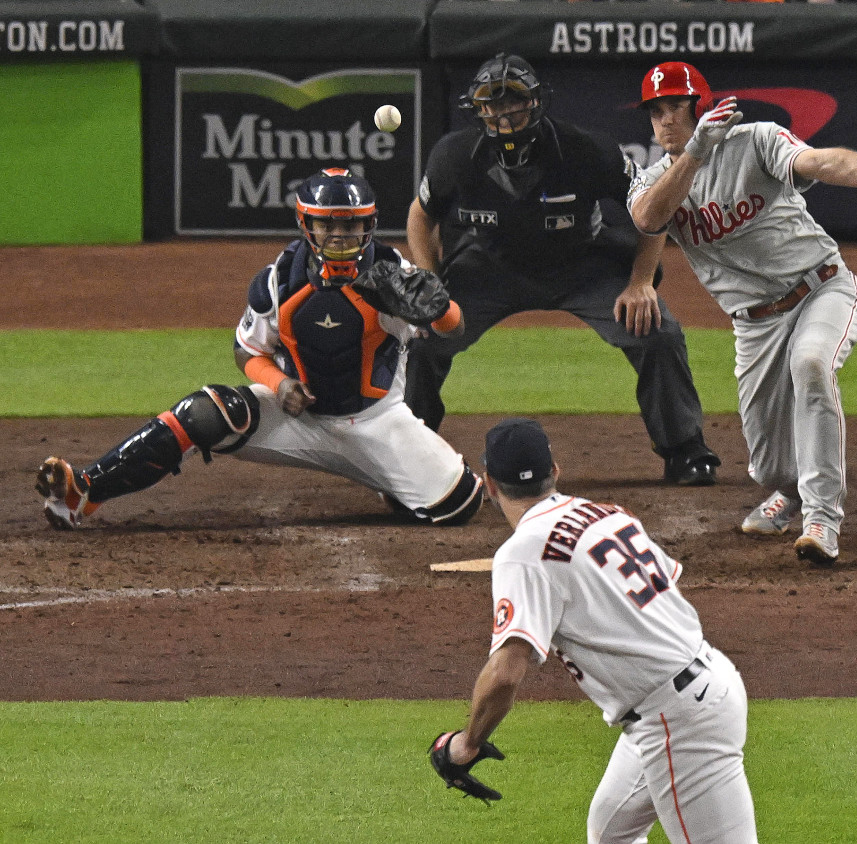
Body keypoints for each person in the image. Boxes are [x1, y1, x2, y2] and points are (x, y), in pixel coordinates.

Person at [35, 167, 483, 530]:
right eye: (328, 224)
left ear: (369, 224)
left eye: (351, 224)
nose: (341, 235)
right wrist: (280, 382)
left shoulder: (392, 275)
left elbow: (452, 331)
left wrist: (440, 310)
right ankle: (84, 490)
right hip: (299, 420)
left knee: (459, 505)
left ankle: (391, 482)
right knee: (204, 412)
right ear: (307, 224)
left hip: (376, 423)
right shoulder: (280, 279)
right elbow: (246, 350)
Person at [627, 62, 857, 567]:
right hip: (755, 324)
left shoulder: (757, 140)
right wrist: (696, 151)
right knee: (771, 467)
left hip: (822, 288)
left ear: (704, 107)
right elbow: (649, 218)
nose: (665, 121)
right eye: (656, 112)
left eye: (676, 108)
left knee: (813, 364)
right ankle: (790, 492)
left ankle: (822, 518)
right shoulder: (653, 179)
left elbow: (821, 162)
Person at [429, 418, 758, 843]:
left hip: (677, 716)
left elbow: (506, 672)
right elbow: (665, 582)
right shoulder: (606, 514)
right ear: (556, 472)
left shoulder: (522, 552)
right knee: (611, 833)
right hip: (696, 685)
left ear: (490, 484)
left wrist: (467, 743)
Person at [405, 52, 720, 486]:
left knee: (658, 331)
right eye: (491, 104)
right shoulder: (454, 154)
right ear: (477, 110)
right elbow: (421, 215)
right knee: (421, 340)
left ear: (534, 102)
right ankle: (407, 456)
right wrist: (430, 281)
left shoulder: (585, 149)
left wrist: (641, 281)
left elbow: (651, 208)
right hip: (486, 269)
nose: (502, 113)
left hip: (581, 265)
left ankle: (685, 449)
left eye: (512, 100)